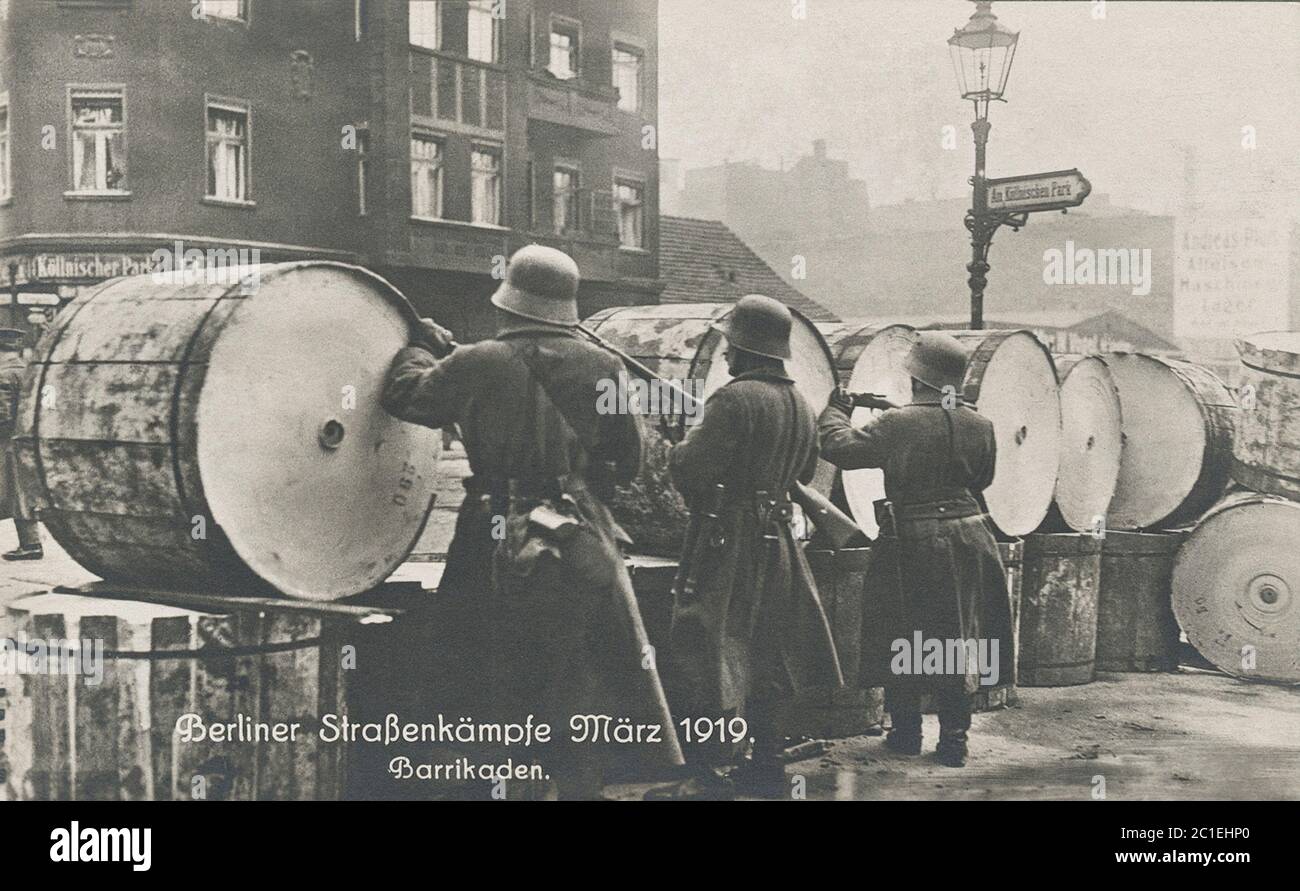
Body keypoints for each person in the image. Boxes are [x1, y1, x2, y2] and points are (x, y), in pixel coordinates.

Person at [380, 244, 682, 799]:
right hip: (577, 532)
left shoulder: (479, 361)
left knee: (480, 659)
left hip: (491, 531)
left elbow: (407, 396)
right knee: (574, 664)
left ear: (509, 304)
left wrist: (422, 348)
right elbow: (630, 459)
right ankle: (577, 785)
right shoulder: (603, 365)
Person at [648, 294, 842, 800]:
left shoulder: (732, 399)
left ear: (747, 347)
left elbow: (691, 470)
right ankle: (769, 766)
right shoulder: (800, 402)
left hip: (726, 540)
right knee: (768, 651)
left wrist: (682, 444)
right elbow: (803, 471)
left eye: (730, 344)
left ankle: (707, 777)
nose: (725, 355)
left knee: (704, 646)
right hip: (777, 542)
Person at [818, 330, 1012, 767]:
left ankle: (906, 734)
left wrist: (836, 410)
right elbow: (983, 481)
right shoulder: (981, 424)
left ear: (915, 377)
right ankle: (954, 742)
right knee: (956, 637)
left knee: (901, 632)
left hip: (912, 539)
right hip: (970, 535)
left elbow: (839, 448)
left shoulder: (898, 423)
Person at [0, 329, 41, 561]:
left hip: (8, 443)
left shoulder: (3, 375)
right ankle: (31, 542)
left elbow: (3, 416)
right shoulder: (28, 371)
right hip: (26, 440)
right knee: (20, 492)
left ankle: (31, 544)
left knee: (15, 493)